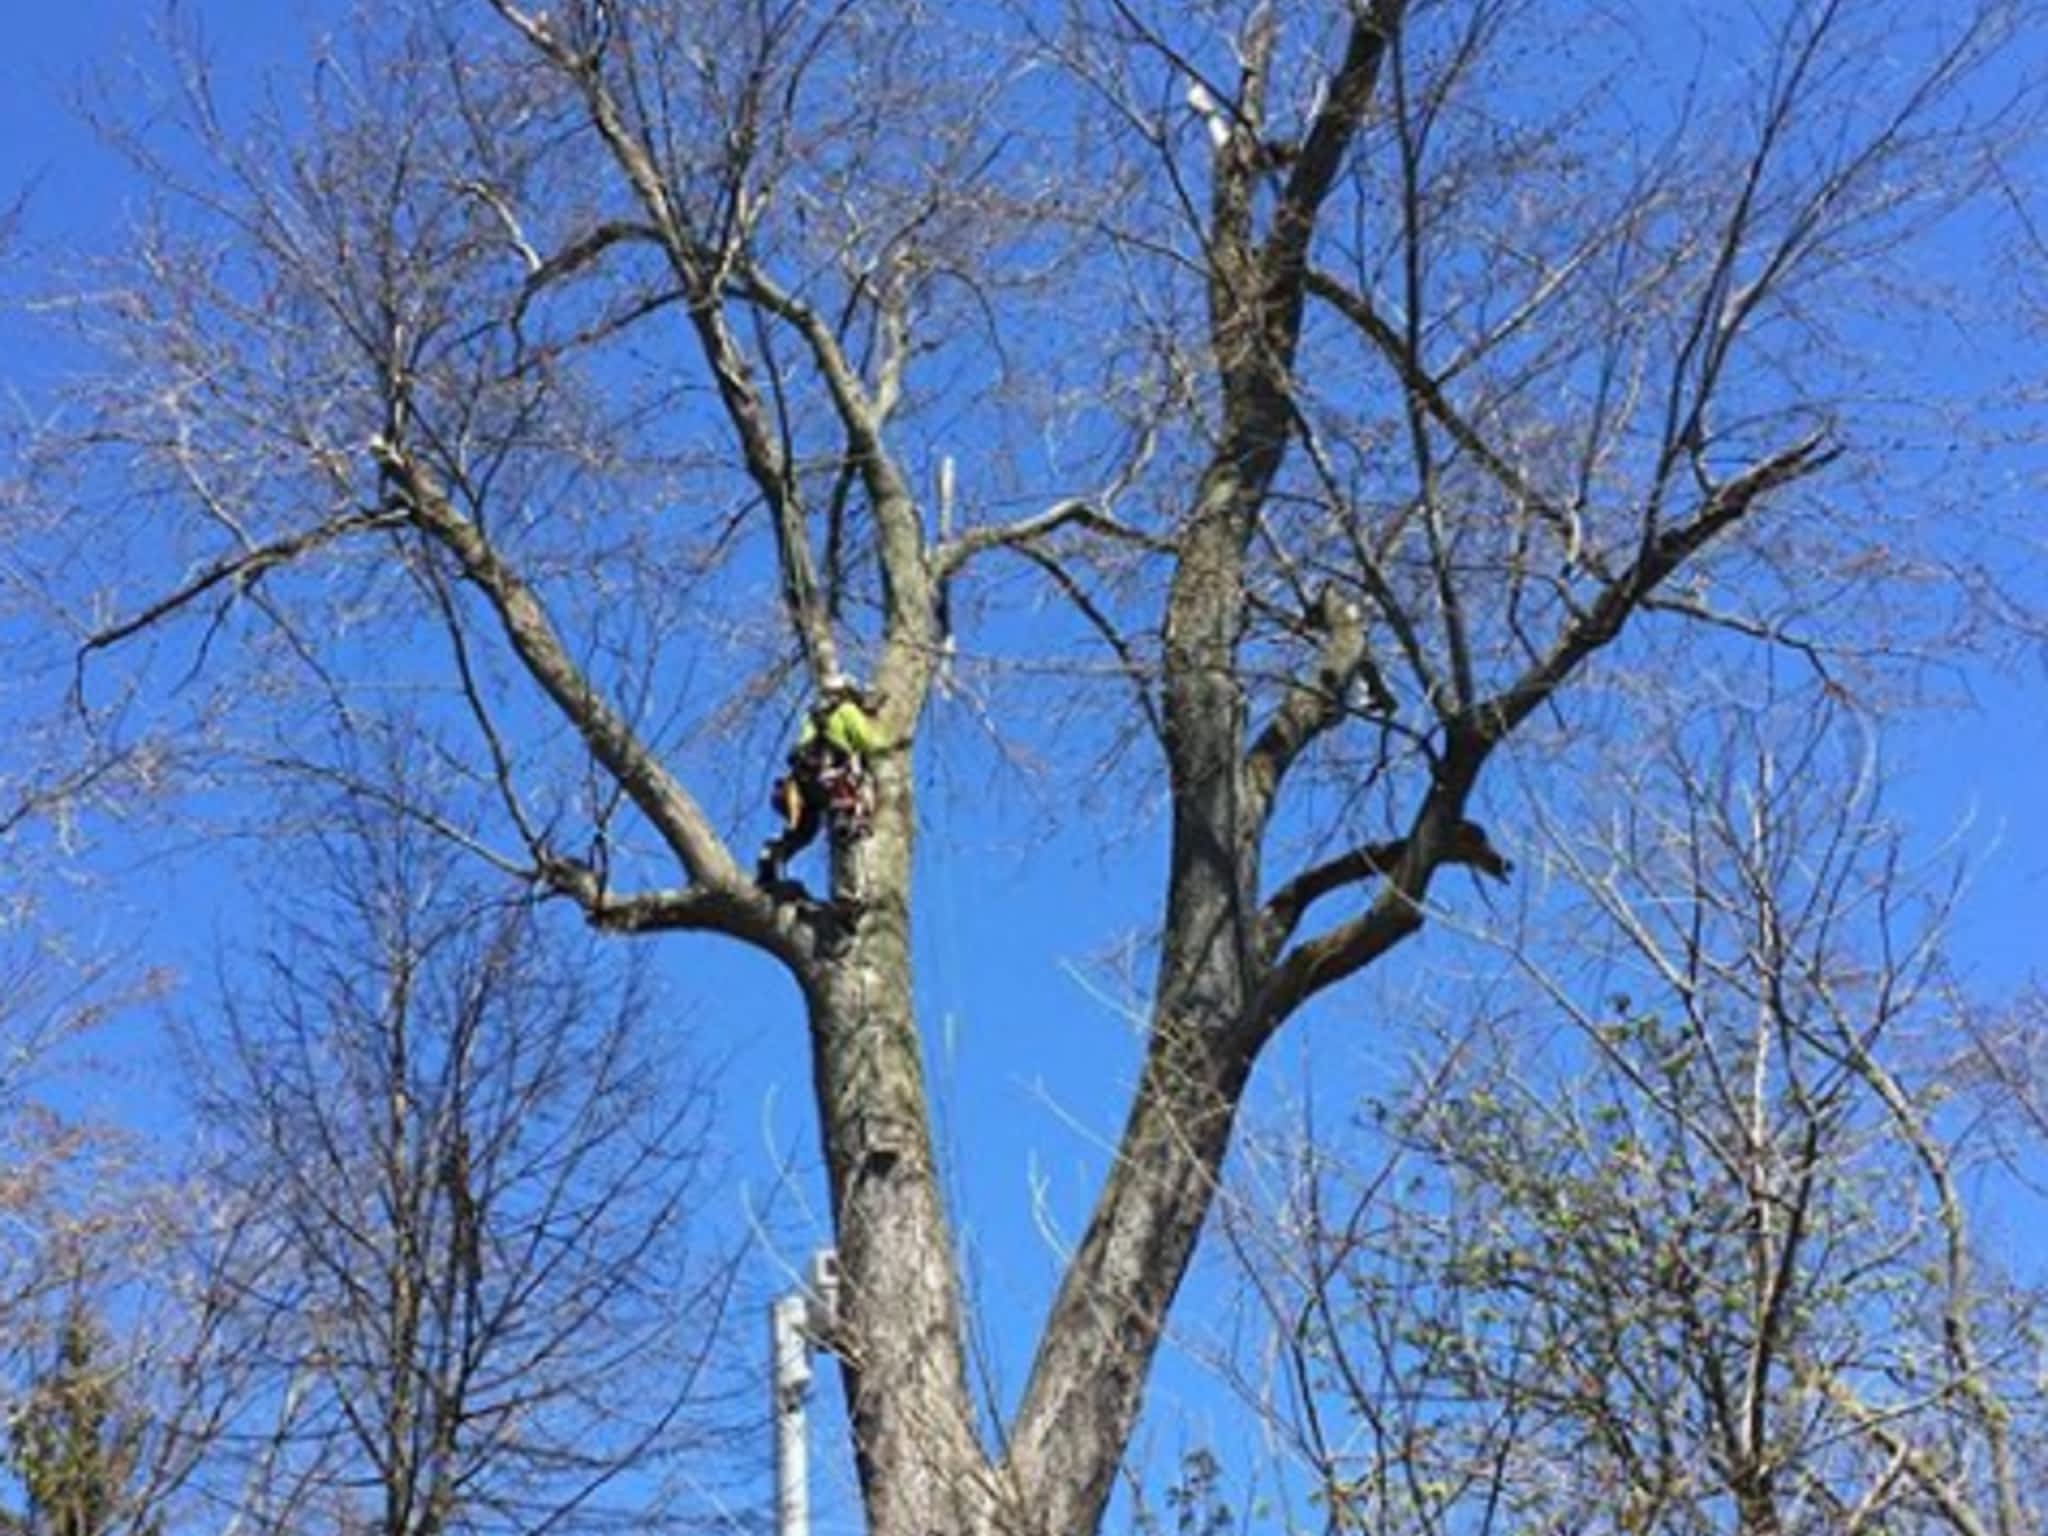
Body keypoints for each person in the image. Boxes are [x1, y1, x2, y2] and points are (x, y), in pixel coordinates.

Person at [756, 674, 883, 892]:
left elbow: (802, 744)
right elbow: (868, 743)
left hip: (801, 782)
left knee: (804, 832)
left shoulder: (812, 716)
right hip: (833, 779)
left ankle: (773, 855)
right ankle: (850, 887)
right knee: (849, 824)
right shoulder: (847, 710)